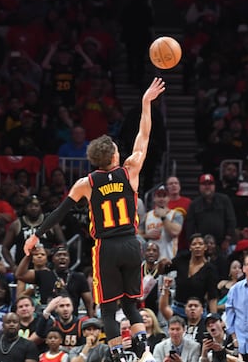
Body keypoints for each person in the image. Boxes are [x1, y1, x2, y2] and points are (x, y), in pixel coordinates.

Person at [24, 77, 166, 362]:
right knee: (131, 304)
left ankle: (118, 356)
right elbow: (144, 136)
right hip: (130, 244)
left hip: (106, 248)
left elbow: (59, 212)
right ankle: (144, 353)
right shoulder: (131, 171)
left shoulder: (85, 183)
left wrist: (36, 235)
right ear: (114, 154)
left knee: (108, 309)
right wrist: (145, 103)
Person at [159, 234, 219, 317]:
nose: (197, 246)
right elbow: (162, 271)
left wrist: (214, 317)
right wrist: (161, 264)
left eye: (200, 244)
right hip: (178, 309)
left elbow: (212, 296)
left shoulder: (210, 269)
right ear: (190, 247)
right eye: (194, 244)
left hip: (198, 312)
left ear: (205, 247)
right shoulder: (181, 260)